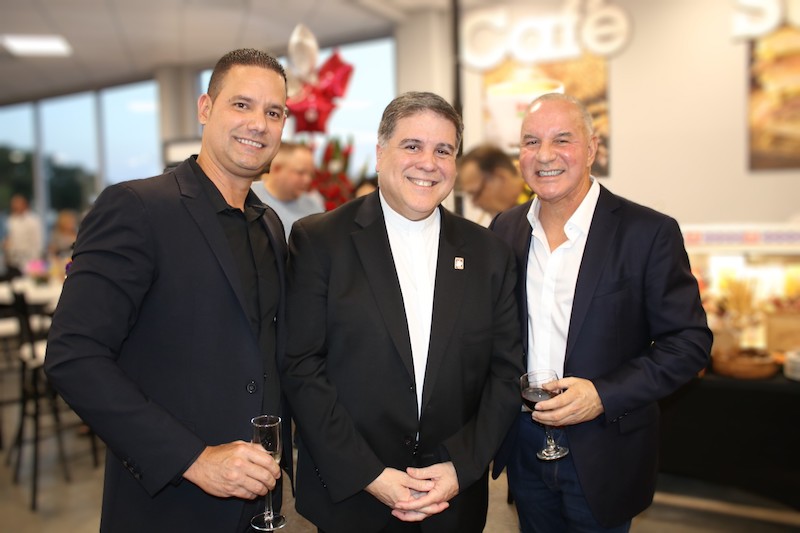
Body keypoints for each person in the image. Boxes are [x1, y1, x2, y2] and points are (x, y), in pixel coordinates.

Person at [44, 48, 291, 532]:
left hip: (258, 503)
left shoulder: (270, 227)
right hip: (169, 504)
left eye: (274, 112)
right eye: (241, 104)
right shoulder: (137, 208)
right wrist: (194, 459)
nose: (258, 124)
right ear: (205, 108)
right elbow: (74, 355)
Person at [281, 91, 524, 533]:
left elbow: (506, 374)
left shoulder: (490, 254)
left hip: (452, 500)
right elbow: (301, 367)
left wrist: (460, 467)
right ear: (380, 153)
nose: (428, 163)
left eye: (443, 150)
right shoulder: (320, 241)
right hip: (353, 498)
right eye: (412, 145)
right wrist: (369, 474)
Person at [490, 93, 712, 532]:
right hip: (525, 444)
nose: (545, 155)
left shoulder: (648, 232)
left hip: (605, 448)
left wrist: (602, 395)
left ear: (592, 148)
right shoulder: (504, 229)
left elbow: (689, 344)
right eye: (531, 141)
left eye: (563, 139)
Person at [251, 141, 324, 240]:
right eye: (300, 172)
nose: (308, 180)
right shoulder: (248, 197)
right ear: (277, 169)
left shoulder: (315, 209)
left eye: (310, 174)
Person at [457, 143, 530, 217]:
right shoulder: (510, 216)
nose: (474, 204)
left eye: (476, 194)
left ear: (500, 177)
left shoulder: (535, 206)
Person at [3, 193, 43, 276]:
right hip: (12, 260)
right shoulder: (10, 220)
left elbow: (38, 242)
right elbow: (8, 237)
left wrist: (35, 261)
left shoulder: (33, 220)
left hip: (29, 259)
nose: (15, 207)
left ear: (24, 205)